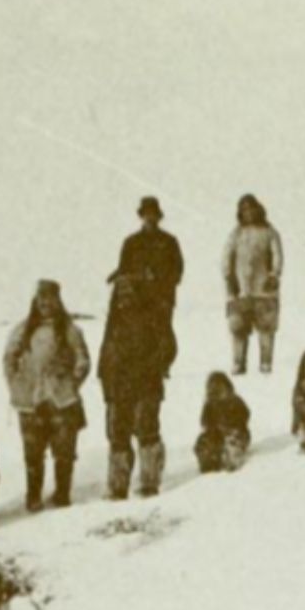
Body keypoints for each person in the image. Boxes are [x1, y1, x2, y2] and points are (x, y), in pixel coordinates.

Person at [99, 195, 183, 498]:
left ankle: (149, 480)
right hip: (120, 380)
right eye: (145, 214)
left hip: (146, 376)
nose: (149, 218)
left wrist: (157, 367)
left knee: (146, 427)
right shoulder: (130, 244)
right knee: (118, 432)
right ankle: (118, 484)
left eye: (153, 214)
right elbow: (107, 351)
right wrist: (105, 377)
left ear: (158, 216)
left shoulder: (169, 243)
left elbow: (176, 275)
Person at [3, 279, 92, 511]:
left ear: (57, 301)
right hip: (30, 401)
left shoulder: (70, 330)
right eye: (41, 299)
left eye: (50, 298)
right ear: (35, 301)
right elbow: (9, 358)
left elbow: (82, 359)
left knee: (64, 452)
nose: (45, 304)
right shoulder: (22, 330)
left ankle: (62, 494)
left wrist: (72, 383)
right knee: (32, 453)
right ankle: (33, 497)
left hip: (62, 400)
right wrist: (15, 384)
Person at [222, 194, 283, 375]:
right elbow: (227, 257)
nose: (248, 213)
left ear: (259, 209)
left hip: (264, 290)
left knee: (266, 328)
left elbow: (277, 255)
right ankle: (238, 362)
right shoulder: (236, 234)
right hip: (240, 290)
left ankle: (265, 362)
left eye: (251, 209)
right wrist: (229, 278)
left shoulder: (269, 232)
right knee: (238, 328)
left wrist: (274, 274)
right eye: (244, 210)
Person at [194, 371, 252, 473]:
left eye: (219, 390)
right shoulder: (209, 405)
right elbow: (205, 422)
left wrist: (232, 427)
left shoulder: (234, 401)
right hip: (217, 435)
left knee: (232, 442)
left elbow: (244, 416)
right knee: (204, 442)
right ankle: (210, 461)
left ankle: (233, 458)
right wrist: (213, 430)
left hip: (237, 433)